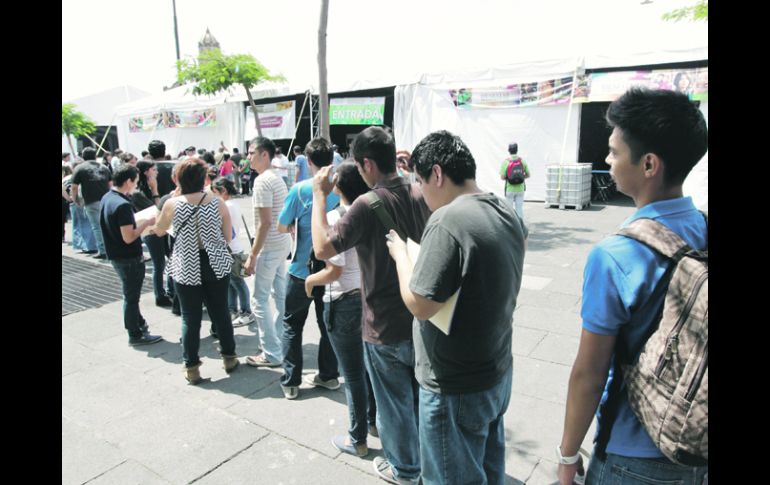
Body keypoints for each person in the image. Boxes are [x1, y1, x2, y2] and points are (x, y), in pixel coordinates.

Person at [557, 88, 708, 485]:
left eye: (613, 152)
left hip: (633, 455)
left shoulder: (614, 255)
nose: (606, 160)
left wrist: (568, 457)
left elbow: (589, 374)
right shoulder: (704, 228)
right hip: (698, 442)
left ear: (649, 164)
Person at [386, 131, 527, 485]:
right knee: (488, 469)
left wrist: (402, 257)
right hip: (494, 370)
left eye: (419, 181)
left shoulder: (449, 219)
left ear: (436, 174)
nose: (419, 191)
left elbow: (419, 304)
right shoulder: (504, 209)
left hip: (454, 384)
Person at [311, 126, 431, 485]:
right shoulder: (420, 191)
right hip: (422, 315)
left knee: (394, 407)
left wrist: (320, 197)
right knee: (419, 399)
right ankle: (423, 462)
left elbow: (322, 249)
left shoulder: (367, 203)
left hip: (384, 324)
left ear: (367, 164)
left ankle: (406, 470)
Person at [305, 161, 372, 457]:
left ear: (338, 186)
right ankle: (373, 422)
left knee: (353, 374)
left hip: (343, 300)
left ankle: (357, 438)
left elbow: (333, 270)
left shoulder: (335, 217)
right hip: (368, 297)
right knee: (368, 369)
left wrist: (310, 280)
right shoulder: (372, 211)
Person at [153, 158, 240, 384]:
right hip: (216, 263)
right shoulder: (217, 202)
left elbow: (159, 230)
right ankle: (229, 357)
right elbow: (228, 237)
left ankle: (191, 367)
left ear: (178, 179)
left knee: (190, 318)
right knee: (220, 312)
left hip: (186, 264)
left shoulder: (173, 204)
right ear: (204, 178)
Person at [274, 138, 341, 400]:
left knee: (292, 324)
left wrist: (293, 226)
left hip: (301, 271)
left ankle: (291, 381)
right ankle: (329, 375)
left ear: (308, 161)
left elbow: (281, 226)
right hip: (332, 271)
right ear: (332, 159)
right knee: (328, 326)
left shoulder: (300, 190)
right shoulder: (340, 187)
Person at [99, 164, 163, 346]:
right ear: (128, 181)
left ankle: (139, 324)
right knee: (131, 297)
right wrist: (145, 223)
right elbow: (128, 237)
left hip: (117, 255)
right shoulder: (122, 205)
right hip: (128, 257)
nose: (136, 185)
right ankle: (135, 334)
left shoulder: (108, 197)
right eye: (135, 182)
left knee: (130, 294)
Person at [243, 137, 292, 369]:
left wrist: (253, 255)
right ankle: (280, 341)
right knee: (280, 294)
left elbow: (264, 223)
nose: (248, 157)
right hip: (281, 243)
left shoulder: (263, 181)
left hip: (271, 246)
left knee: (259, 300)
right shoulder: (276, 177)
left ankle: (271, 352)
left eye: (252, 152)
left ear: (265, 155)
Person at [211, 177, 255, 328]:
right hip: (233, 248)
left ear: (223, 191)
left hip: (231, 250)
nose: (213, 196)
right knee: (231, 282)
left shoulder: (226, 206)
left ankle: (246, 311)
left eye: (214, 192)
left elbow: (226, 230)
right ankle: (233, 309)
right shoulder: (232, 204)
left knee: (237, 282)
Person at [133, 161, 172, 307]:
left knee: (167, 259)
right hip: (151, 230)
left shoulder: (145, 189)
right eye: (153, 170)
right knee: (159, 263)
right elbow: (156, 210)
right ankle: (160, 295)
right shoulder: (138, 193)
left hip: (160, 228)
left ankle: (167, 291)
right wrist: (155, 190)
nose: (156, 172)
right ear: (146, 172)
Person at [71, 147, 112, 259]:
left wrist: (75, 200)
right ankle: (112, 248)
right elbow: (111, 184)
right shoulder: (104, 167)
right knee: (108, 225)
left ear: (83, 156)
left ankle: (103, 251)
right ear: (95, 155)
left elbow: (74, 187)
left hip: (91, 200)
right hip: (107, 200)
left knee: (96, 226)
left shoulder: (80, 168)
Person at [499, 142, 530, 219]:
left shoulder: (505, 162)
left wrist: (509, 178)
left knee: (509, 210)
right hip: (520, 189)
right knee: (519, 208)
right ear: (517, 150)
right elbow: (528, 175)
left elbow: (502, 177)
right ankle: (520, 226)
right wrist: (521, 178)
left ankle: (511, 227)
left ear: (509, 150)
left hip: (510, 189)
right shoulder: (522, 161)